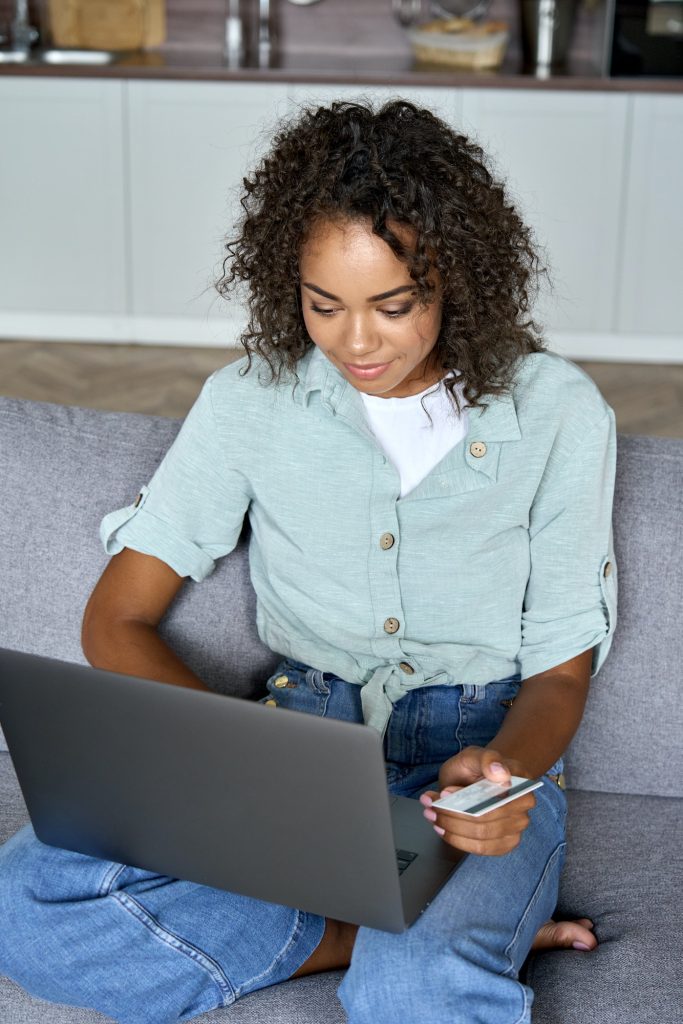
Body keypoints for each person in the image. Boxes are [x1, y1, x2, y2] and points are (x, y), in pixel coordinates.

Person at [0, 98, 617, 1024]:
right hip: (294, 750)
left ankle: (413, 941)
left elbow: (562, 672)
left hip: (471, 758)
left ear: (455, 277)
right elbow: (116, 615)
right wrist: (239, 764)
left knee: (411, 994)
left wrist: (498, 776)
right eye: (322, 304)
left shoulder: (560, 413)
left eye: (392, 305)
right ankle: (348, 935)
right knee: (29, 903)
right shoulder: (251, 400)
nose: (354, 342)